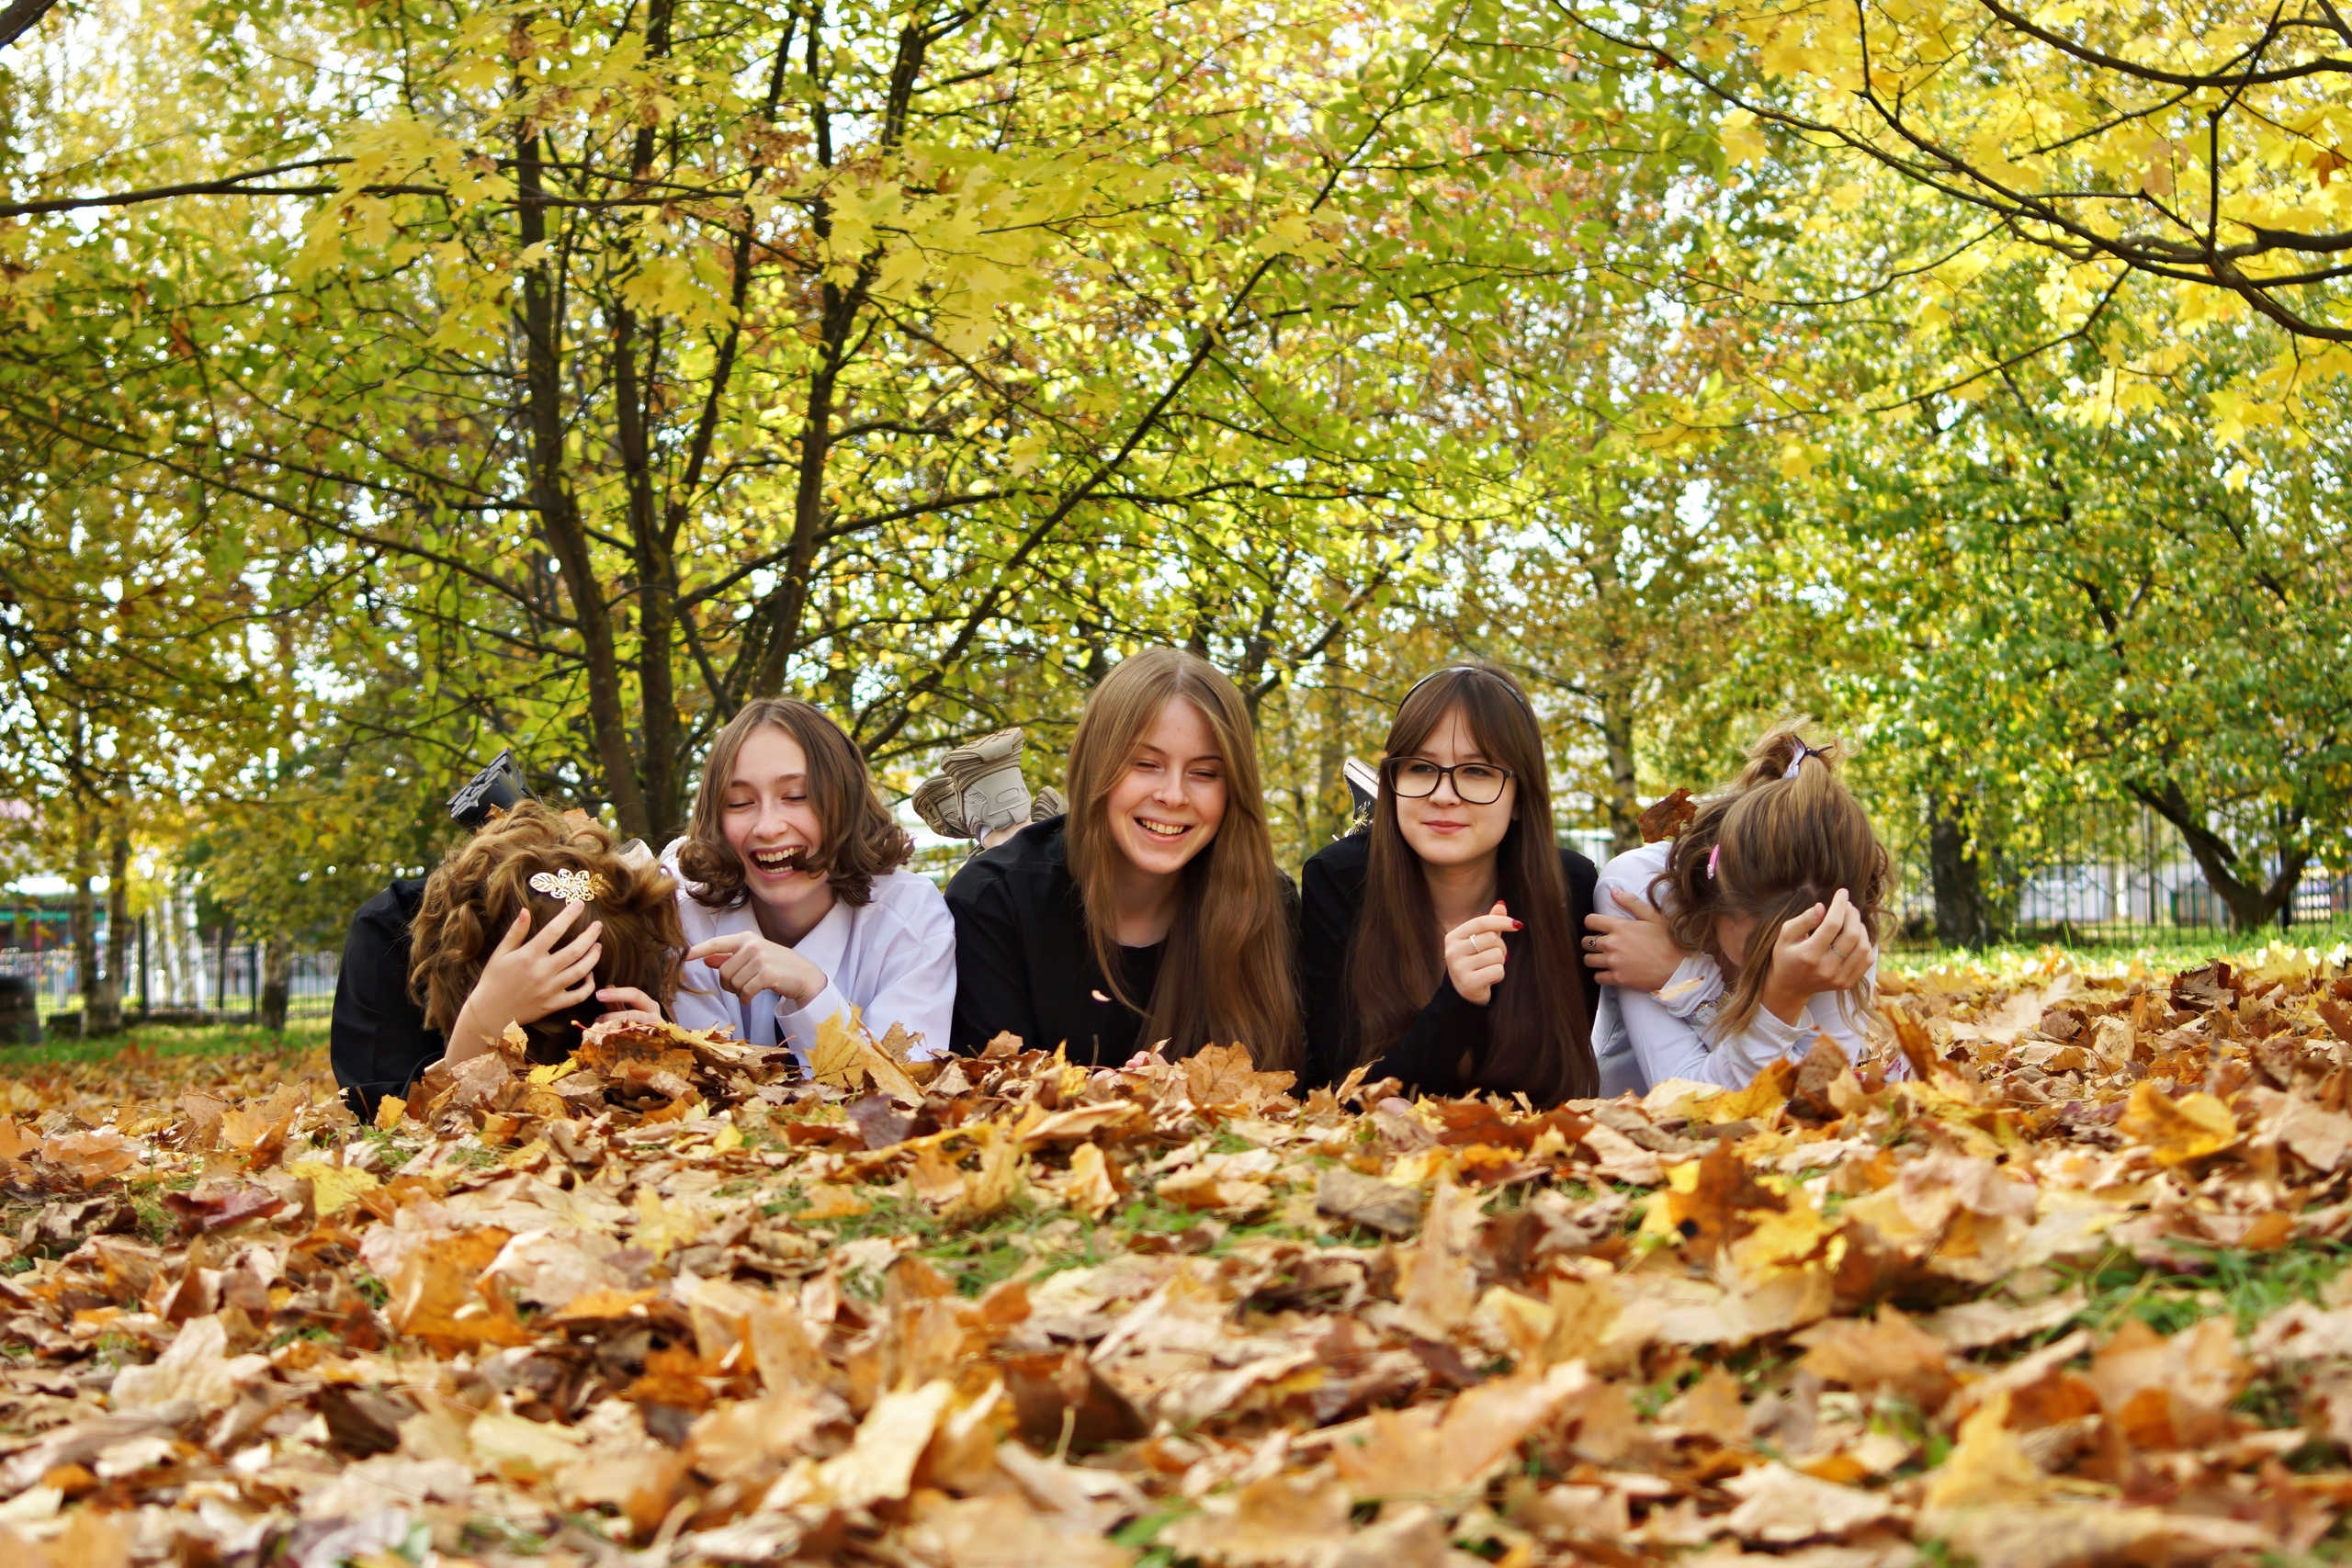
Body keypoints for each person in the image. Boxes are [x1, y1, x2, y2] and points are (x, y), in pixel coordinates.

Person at [945, 647, 1299, 1067]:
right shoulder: (994, 900)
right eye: (1146, 764)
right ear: (1096, 765)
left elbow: (1292, 1094)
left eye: (1205, 773)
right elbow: (982, 1102)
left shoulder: (1268, 904)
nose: (1173, 795)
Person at [1298, 664, 1600, 1104]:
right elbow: (1337, 1091)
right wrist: (1457, 1001)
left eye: (1477, 771)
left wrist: (1671, 972)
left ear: (1520, 796)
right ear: (1394, 781)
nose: (1444, 794)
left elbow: (1558, 1091)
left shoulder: (1568, 888)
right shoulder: (1341, 881)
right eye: (1421, 767)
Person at [1586, 728, 1887, 1097]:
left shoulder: (1845, 927)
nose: (1767, 967)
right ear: (1716, 892)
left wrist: (1691, 984)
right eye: (1759, 954)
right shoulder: (1640, 888)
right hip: (1625, 1128)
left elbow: (1813, 1100)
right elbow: (1686, 1101)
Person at [333, 799, 681, 1116]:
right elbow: (379, 1124)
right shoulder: (386, 934)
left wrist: (653, 1053)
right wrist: (480, 1026)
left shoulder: (627, 922)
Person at [665, 699, 956, 1063]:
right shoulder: (683, 917)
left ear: (845, 803)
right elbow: (706, 1086)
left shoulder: (912, 918)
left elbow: (900, 1095)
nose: (768, 827)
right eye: (739, 802)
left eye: (797, 797)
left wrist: (812, 993)